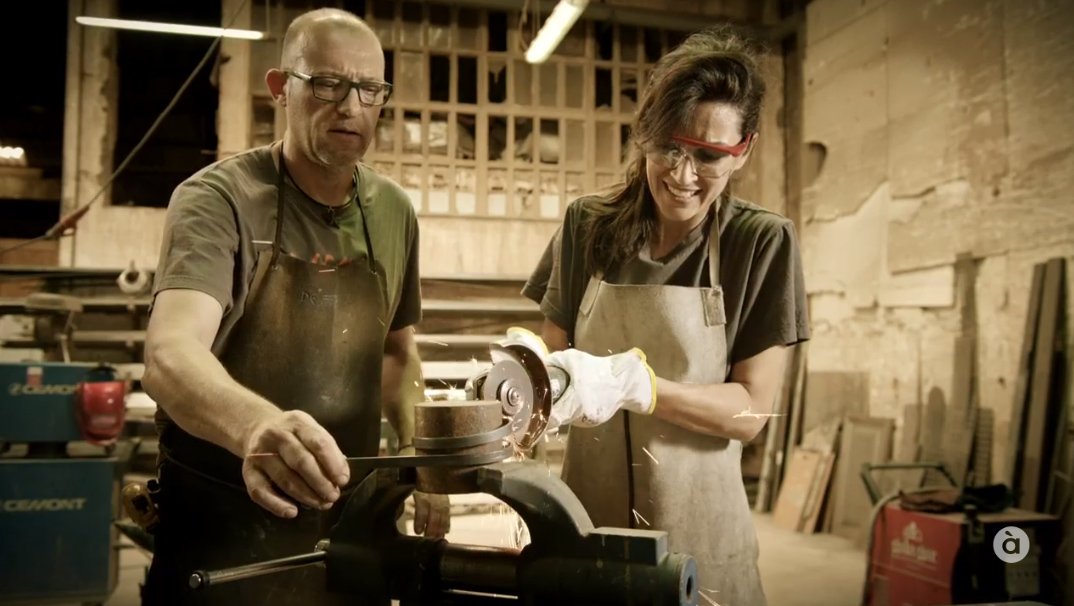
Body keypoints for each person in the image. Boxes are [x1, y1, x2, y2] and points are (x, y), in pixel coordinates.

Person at [140, 9, 448, 605]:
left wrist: (418, 455)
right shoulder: (219, 199)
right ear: (282, 88)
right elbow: (169, 354)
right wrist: (255, 427)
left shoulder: (392, 211)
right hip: (224, 528)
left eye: (369, 90)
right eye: (328, 84)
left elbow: (396, 352)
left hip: (349, 532)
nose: (351, 106)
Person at [523, 26, 810, 606]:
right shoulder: (587, 225)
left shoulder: (760, 242)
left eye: (708, 157)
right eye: (668, 149)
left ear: (745, 149)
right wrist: (521, 385)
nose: (682, 176)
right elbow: (552, 363)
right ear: (644, 137)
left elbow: (751, 411)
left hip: (701, 544)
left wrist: (640, 387)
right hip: (586, 528)